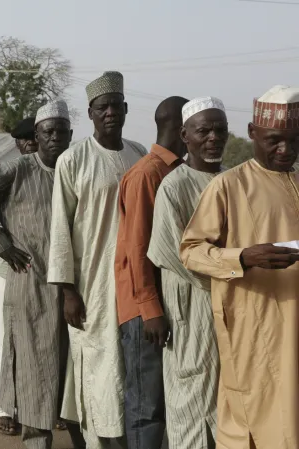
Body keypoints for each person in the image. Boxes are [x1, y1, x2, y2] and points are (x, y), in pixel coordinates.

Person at [180, 85, 299, 449]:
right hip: (257, 325)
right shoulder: (228, 186)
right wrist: (244, 257)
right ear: (252, 133)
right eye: (275, 140)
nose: (285, 150)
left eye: (294, 141)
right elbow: (191, 251)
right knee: (261, 419)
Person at [0, 100, 74, 449]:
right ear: (36, 136)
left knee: (69, 362)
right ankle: (36, 439)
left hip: (73, 285)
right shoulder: (18, 169)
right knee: (32, 359)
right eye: (47, 131)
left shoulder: (75, 169)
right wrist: (0, 243)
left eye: (61, 131)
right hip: (29, 281)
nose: (54, 137)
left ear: (70, 135)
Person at [47, 71, 147, 447]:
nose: (110, 113)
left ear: (125, 109)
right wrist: (68, 290)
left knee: (128, 362)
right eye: (102, 107)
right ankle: (98, 439)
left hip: (134, 280)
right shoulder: (73, 159)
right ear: (90, 113)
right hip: (92, 283)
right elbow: (60, 229)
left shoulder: (138, 154)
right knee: (97, 363)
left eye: (116, 106)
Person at [147, 97, 227, 449]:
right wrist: (226, 279)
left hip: (231, 307)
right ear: (185, 135)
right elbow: (171, 252)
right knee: (189, 399)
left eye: (219, 130)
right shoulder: (174, 186)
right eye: (204, 130)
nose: (213, 137)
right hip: (190, 308)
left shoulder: (232, 182)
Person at [114, 95, 189, 448]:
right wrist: (151, 309)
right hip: (147, 311)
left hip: (168, 304)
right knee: (147, 406)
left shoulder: (178, 171)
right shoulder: (147, 173)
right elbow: (137, 248)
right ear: (180, 128)